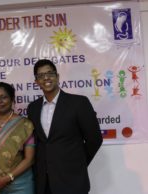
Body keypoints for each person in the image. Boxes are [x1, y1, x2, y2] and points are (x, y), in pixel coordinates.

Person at [27, 59, 103, 194]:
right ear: (36, 82)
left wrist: (77, 165)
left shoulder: (79, 103)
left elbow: (95, 139)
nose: (46, 78)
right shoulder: (33, 108)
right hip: (44, 183)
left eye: (50, 73)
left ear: (57, 77)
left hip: (72, 181)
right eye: (41, 76)